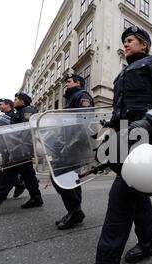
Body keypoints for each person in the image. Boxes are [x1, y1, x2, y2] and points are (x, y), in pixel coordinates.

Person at [70, 26, 152, 264]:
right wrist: (107, 124)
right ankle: (148, 243)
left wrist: (150, 119)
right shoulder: (122, 74)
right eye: (124, 41)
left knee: (121, 195)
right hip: (125, 138)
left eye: (130, 40)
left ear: (144, 44)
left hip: (147, 135)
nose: (126, 44)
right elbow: (123, 111)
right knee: (137, 193)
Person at [0, 93, 44, 215]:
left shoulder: (27, 110)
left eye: (16, 99)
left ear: (22, 101)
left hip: (20, 150)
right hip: (19, 149)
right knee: (28, 175)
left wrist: (16, 147)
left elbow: (26, 130)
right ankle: (36, 198)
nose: (14, 101)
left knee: (8, 176)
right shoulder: (20, 112)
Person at [53, 74, 95, 230]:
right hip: (69, 144)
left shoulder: (82, 96)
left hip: (75, 145)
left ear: (78, 83)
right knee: (70, 178)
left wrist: (70, 144)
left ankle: (75, 211)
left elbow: (84, 123)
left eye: (69, 82)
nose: (66, 84)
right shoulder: (70, 99)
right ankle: (74, 211)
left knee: (60, 176)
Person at [0, 98, 26, 199]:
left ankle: (3, 191)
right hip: (0, 145)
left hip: (8, 147)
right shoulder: (2, 117)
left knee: (7, 170)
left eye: (1, 104)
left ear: (8, 105)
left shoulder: (13, 116)